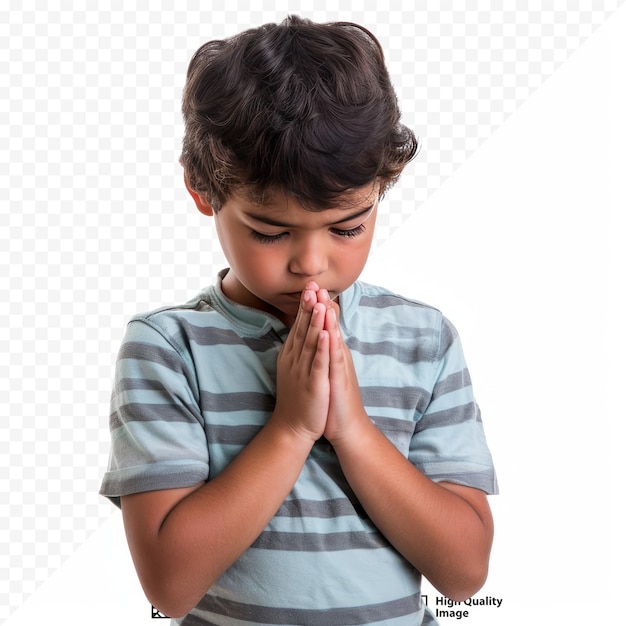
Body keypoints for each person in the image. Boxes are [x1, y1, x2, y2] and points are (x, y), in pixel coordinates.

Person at [100, 15, 498, 625]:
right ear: (202, 190)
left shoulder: (423, 342)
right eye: (269, 230)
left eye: (348, 227)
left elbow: (465, 574)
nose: (312, 264)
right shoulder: (169, 349)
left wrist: (354, 430)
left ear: (382, 186)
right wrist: (289, 429)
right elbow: (169, 587)